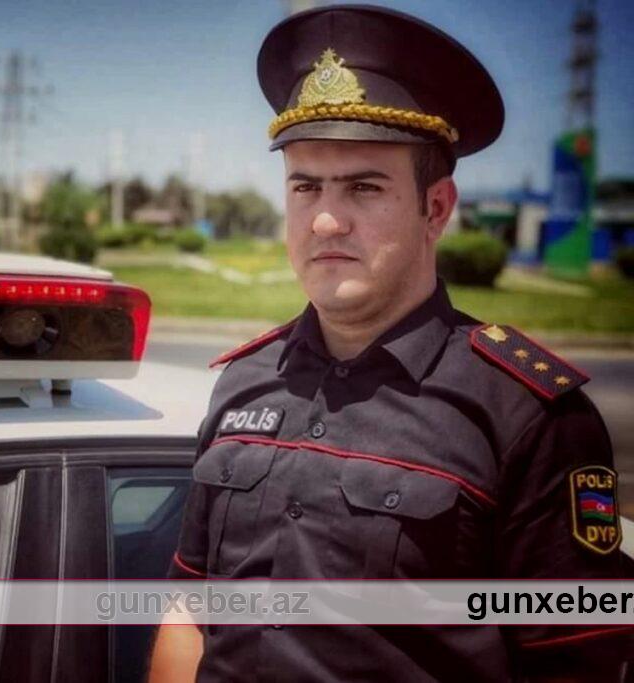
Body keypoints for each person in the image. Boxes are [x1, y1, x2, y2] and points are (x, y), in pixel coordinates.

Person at [149, 5, 632, 682]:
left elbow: (577, 664)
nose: (325, 220)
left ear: (436, 208)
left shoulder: (527, 417)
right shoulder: (243, 381)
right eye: (305, 186)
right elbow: (189, 609)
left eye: (364, 187)